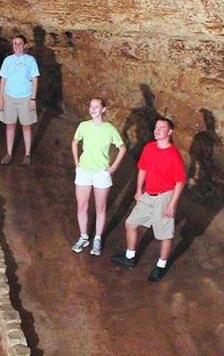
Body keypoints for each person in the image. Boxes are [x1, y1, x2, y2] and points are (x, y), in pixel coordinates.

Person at [111, 115, 186, 281]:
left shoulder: (174, 155)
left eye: (162, 128)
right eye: (156, 128)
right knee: (130, 223)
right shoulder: (149, 148)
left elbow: (180, 182)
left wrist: (172, 204)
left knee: (164, 235)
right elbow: (142, 169)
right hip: (148, 194)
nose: (157, 130)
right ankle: (130, 257)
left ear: (170, 131)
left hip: (164, 197)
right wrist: (139, 190)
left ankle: (161, 266)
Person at [70, 96, 125, 256]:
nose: (93, 109)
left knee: (100, 207)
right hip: (84, 171)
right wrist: (76, 162)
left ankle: (98, 238)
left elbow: (122, 148)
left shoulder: (110, 129)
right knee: (82, 206)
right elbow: (74, 142)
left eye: (96, 107)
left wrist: (113, 167)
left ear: (103, 109)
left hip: (101, 173)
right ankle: (83, 237)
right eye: (91, 106)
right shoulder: (83, 126)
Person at [0, 34, 40, 165]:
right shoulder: (8, 60)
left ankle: (27, 155)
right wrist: (0, 98)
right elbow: (3, 80)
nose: (17, 46)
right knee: (10, 125)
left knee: (26, 126)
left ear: (25, 45)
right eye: (14, 43)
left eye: (19, 43)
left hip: (25, 97)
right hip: (9, 96)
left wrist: (33, 99)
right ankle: (9, 153)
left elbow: (35, 80)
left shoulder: (30, 60)